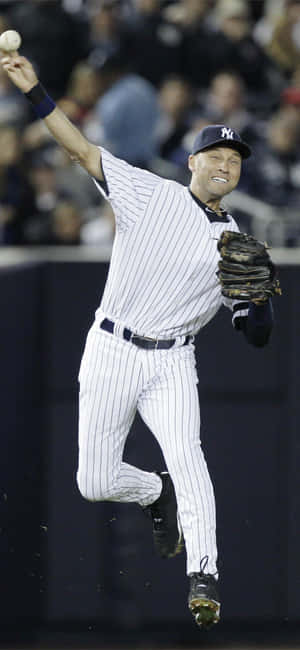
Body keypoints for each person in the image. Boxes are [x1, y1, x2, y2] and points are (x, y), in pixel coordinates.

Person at [0, 51, 274, 628]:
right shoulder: (149, 192)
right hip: (111, 346)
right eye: (217, 155)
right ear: (193, 160)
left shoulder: (236, 243)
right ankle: (154, 492)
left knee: (190, 456)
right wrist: (34, 91)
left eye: (235, 158)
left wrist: (258, 310)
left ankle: (205, 574)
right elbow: (79, 149)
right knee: (93, 481)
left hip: (173, 362)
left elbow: (252, 332)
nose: (227, 164)